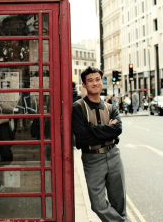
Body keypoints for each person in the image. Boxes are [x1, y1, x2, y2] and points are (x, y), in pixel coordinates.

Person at [72, 66, 127, 222]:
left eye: (97, 79)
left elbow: (117, 129)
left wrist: (92, 129)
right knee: (98, 204)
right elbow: (82, 139)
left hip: (114, 155)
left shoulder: (111, 107)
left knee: (119, 204)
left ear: (102, 81)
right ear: (83, 84)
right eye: (90, 80)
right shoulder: (78, 108)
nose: (95, 83)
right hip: (92, 158)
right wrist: (107, 131)